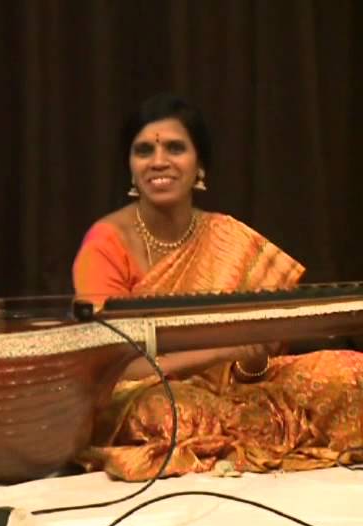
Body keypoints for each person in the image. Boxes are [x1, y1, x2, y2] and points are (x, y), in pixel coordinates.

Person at [72, 93, 363, 481]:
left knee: (349, 370)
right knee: (172, 413)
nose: (159, 161)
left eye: (176, 148)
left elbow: (254, 368)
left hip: (230, 391)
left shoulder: (227, 237)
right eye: (144, 150)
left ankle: (245, 432)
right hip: (140, 394)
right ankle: (254, 433)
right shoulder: (106, 244)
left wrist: (252, 357)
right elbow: (111, 366)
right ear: (130, 167)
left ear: (200, 165)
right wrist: (219, 350)